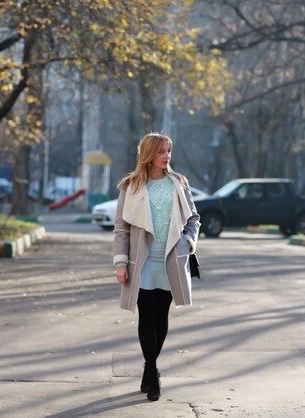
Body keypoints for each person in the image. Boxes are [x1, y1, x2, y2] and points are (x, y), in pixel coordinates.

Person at [113, 132, 200, 401]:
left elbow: (194, 218)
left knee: (161, 317)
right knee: (145, 316)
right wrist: (121, 262)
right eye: (162, 151)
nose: (167, 156)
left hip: (171, 259)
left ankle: (148, 371)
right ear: (149, 154)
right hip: (143, 260)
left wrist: (188, 241)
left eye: (169, 151)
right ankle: (153, 372)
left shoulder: (178, 183)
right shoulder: (131, 186)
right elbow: (121, 228)